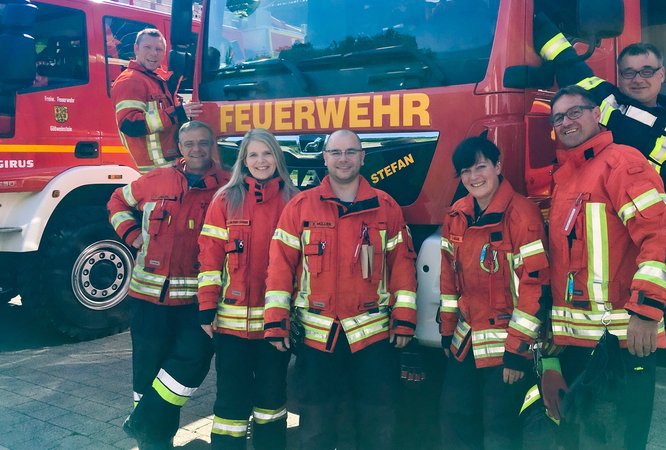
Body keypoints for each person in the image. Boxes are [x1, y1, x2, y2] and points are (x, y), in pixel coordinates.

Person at [545, 86, 666, 449]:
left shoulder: (623, 163)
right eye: (558, 117)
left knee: (617, 440)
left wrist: (647, 312)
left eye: (575, 112)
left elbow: (661, 236)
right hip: (577, 342)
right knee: (578, 438)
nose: (567, 122)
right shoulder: (564, 178)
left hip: (623, 341)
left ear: (596, 114)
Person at [263, 129, 417, 450]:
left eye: (350, 152)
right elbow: (280, 268)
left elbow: (402, 266)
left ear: (362, 157)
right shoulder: (300, 208)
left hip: (374, 341)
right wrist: (276, 321)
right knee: (316, 427)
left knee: (376, 424)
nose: (343, 159)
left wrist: (404, 319)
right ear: (325, 158)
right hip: (318, 341)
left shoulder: (386, 208)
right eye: (336, 153)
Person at [533, 13, 666, 281]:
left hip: (642, 235)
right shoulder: (602, 98)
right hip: (597, 227)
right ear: (620, 76)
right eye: (629, 72)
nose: (637, 79)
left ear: (661, 74)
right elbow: (564, 58)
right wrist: (532, 17)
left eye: (646, 71)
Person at [107, 121, 229, 450]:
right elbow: (117, 202)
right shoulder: (157, 179)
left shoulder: (227, 185)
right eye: (189, 143)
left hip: (194, 301)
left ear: (212, 144)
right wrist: (133, 236)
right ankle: (155, 443)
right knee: (147, 372)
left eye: (203, 143)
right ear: (180, 146)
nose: (197, 149)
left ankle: (141, 421)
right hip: (147, 297)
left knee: (194, 360)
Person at [438, 136, 551, 450]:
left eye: (481, 167)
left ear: (498, 166)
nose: (474, 177)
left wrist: (517, 352)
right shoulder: (456, 216)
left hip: (506, 348)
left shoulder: (522, 216)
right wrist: (447, 330)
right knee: (456, 417)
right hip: (466, 342)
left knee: (500, 427)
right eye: (465, 171)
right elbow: (449, 281)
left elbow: (534, 287)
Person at [197, 129, 299, 450]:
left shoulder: (295, 201)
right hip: (231, 328)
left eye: (267, 153)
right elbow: (210, 259)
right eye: (253, 155)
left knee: (271, 401)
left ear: (277, 158)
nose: (260, 161)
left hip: (276, 328)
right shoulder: (225, 200)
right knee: (230, 403)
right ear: (243, 161)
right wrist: (206, 309)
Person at [111, 28, 202, 173]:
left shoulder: (157, 80)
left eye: (159, 49)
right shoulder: (130, 80)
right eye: (148, 47)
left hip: (168, 168)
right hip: (153, 172)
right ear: (136, 48)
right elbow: (130, 124)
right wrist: (176, 113)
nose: (154, 53)